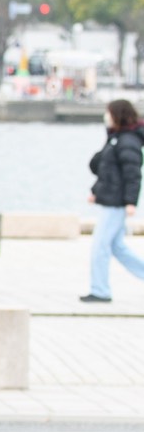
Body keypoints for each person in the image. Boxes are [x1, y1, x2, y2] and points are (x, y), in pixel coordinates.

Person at [81, 98, 144, 303]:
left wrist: (130, 202)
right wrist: (95, 191)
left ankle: (100, 290)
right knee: (118, 247)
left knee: (100, 246)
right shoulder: (116, 138)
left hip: (116, 204)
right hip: (110, 200)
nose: (106, 116)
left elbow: (132, 174)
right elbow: (107, 172)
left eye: (108, 112)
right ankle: (100, 288)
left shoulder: (128, 141)